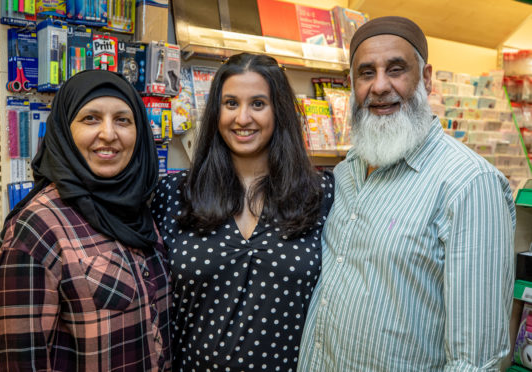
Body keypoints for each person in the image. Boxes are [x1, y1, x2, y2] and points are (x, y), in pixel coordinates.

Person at [298, 16, 516, 371]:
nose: (380, 86)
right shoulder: (346, 171)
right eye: (366, 73)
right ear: (351, 84)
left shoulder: (469, 184)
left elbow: (475, 359)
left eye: (396, 69)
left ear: (426, 78)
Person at [150, 52, 334, 371]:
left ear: (280, 111)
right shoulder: (175, 193)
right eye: (231, 103)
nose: (242, 118)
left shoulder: (320, 194)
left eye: (258, 104)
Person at [0, 70, 172, 371]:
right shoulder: (36, 229)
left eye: (123, 120)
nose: (108, 134)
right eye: (91, 118)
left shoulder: (142, 208)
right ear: (65, 129)